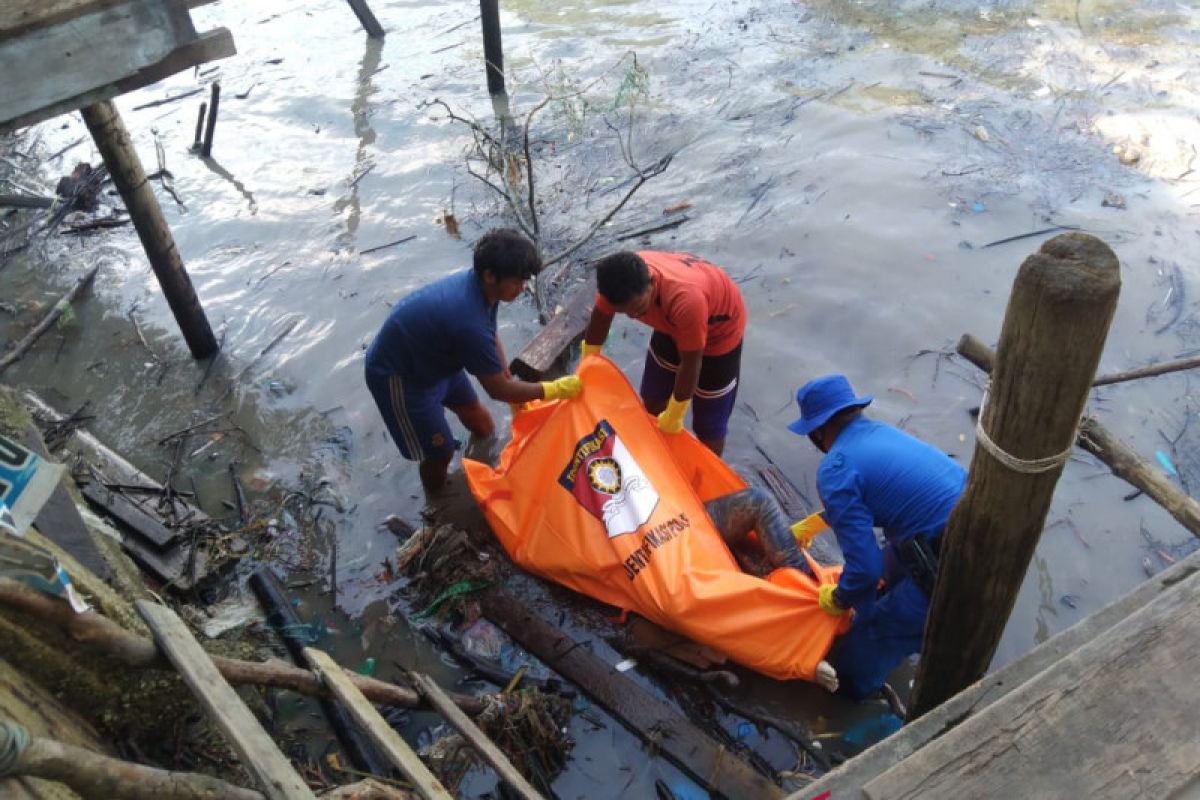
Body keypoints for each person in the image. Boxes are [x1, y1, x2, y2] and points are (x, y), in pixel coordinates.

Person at [787, 374, 966, 700]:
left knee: (859, 656)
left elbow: (865, 569)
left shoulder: (835, 468)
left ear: (816, 430)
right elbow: (885, 492)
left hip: (948, 565)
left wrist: (841, 598)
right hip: (959, 528)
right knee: (884, 578)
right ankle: (906, 628)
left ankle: (853, 704)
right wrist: (820, 521)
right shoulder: (880, 433)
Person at [365, 229, 582, 493]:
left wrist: (506, 375)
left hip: (438, 358)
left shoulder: (484, 290)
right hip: (402, 377)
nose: (521, 288)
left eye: (524, 281)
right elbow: (497, 390)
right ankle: (437, 501)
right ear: (490, 275)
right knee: (440, 451)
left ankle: (476, 465)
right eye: (517, 281)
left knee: (482, 422)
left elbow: (490, 336)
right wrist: (554, 389)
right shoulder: (467, 322)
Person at [581, 250, 746, 456]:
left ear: (651, 281)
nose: (633, 316)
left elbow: (691, 363)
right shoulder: (617, 281)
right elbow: (601, 319)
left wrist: (675, 413)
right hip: (670, 322)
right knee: (652, 399)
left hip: (719, 333)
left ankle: (707, 478)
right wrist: (587, 365)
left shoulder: (686, 301)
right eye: (625, 312)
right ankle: (656, 458)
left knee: (709, 425)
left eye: (639, 308)